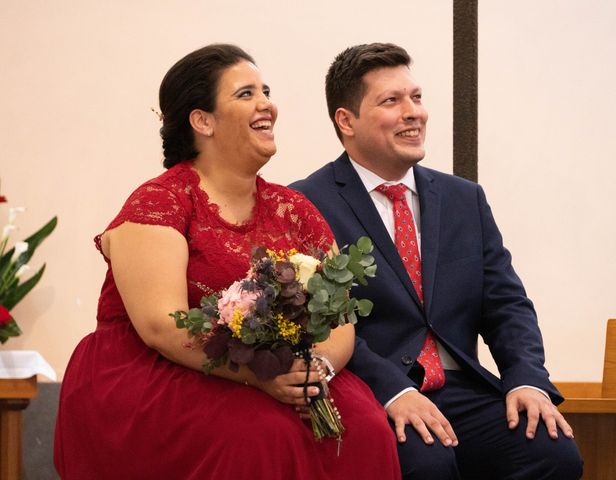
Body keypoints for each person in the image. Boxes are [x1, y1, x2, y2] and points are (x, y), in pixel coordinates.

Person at [54, 44, 401, 480]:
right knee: (261, 435)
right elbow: (160, 325)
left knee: (366, 428)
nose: (267, 104)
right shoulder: (161, 202)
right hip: (162, 370)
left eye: (266, 91)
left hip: (280, 367)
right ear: (202, 121)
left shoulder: (295, 208)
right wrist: (258, 376)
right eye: (245, 94)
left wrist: (317, 369)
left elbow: (341, 315)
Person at [290, 43, 583, 480]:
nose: (414, 113)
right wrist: (393, 391)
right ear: (346, 121)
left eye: (417, 97)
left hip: (461, 386)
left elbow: (506, 305)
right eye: (392, 101)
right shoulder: (307, 203)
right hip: (374, 393)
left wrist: (526, 379)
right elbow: (322, 327)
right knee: (427, 464)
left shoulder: (465, 198)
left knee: (552, 453)